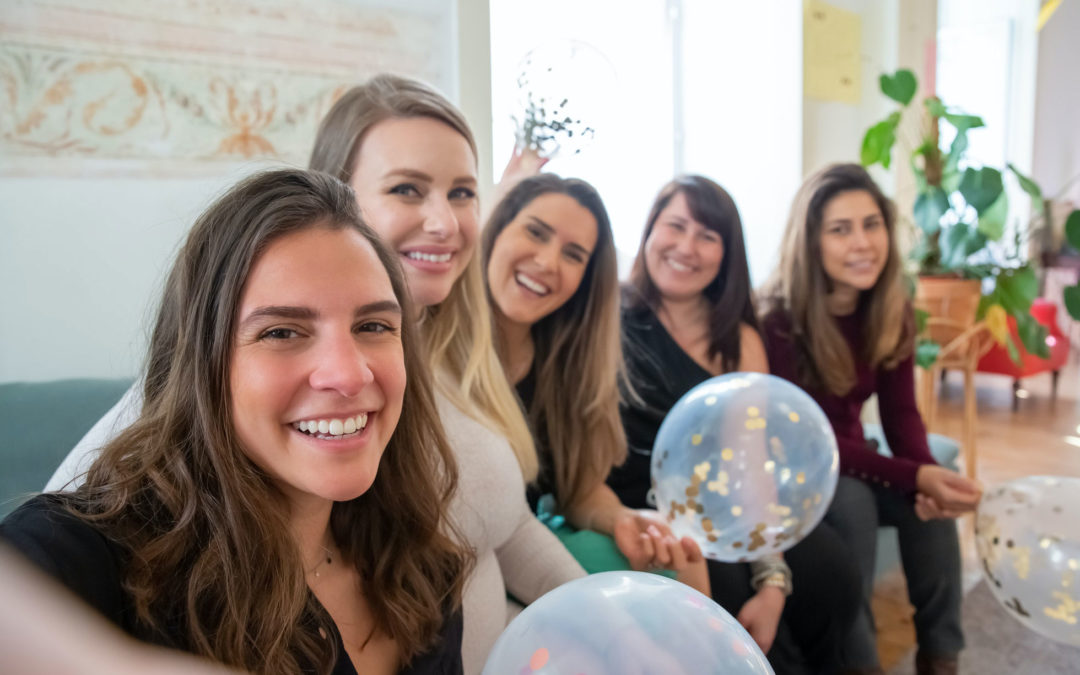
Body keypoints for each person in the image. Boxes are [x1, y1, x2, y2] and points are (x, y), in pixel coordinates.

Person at [47, 73, 584, 675]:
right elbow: (78, 531)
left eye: (463, 193)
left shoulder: (455, 354)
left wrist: (616, 619)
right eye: (408, 189)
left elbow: (507, 529)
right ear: (335, 193)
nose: (445, 222)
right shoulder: (215, 383)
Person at [2, 169, 470, 674]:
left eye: (374, 325)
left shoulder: (426, 574)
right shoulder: (80, 558)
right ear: (202, 365)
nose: (349, 375)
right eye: (282, 332)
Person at [609, 175, 860, 673]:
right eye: (675, 226)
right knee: (743, 622)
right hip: (652, 515)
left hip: (730, 510)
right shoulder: (607, 317)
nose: (686, 247)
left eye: (707, 236)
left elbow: (750, 463)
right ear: (649, 232)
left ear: (727, 253)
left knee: (833, 573)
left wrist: (772, 577)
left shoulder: (740, 341)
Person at [759, 163, 982, 675]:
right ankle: (857, 662)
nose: (862, 242)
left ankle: (940, 659)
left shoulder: (889, 308)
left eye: (871, 224)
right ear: (811, 240)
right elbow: (809, 441)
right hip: (791, 473)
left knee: (931, 519)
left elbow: (901, 414)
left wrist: (927, 480)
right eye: (841, 229)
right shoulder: (777, 319)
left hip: (853, 460)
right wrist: (915, 474)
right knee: (855, 500)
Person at [481, 174, 707, 592]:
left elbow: (580, 490)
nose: (548, 262)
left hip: (528, 545)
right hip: (474, 559)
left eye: (573, 255)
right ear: (496, 230)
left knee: (681, 556)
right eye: (535, 232)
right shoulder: (436, 340)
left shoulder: (565, 364)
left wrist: (621, 519)